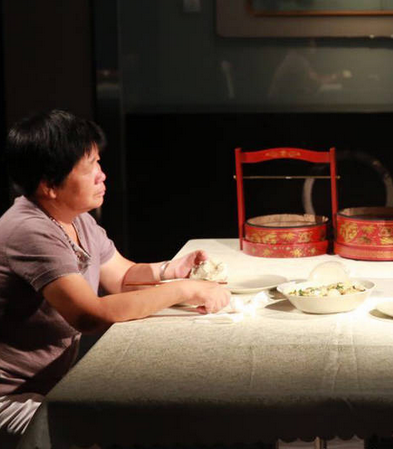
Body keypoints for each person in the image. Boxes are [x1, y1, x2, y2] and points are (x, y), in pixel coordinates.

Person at [0, 110, 231, 447]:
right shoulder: (29, 229)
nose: (102, 175)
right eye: (89, 167)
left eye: (98, 162)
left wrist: (169, 270)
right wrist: (184, 289)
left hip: (53, 385)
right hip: (13, 399)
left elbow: (121, 276)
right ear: (49, 185)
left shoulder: (75, 217)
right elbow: (90, 315)